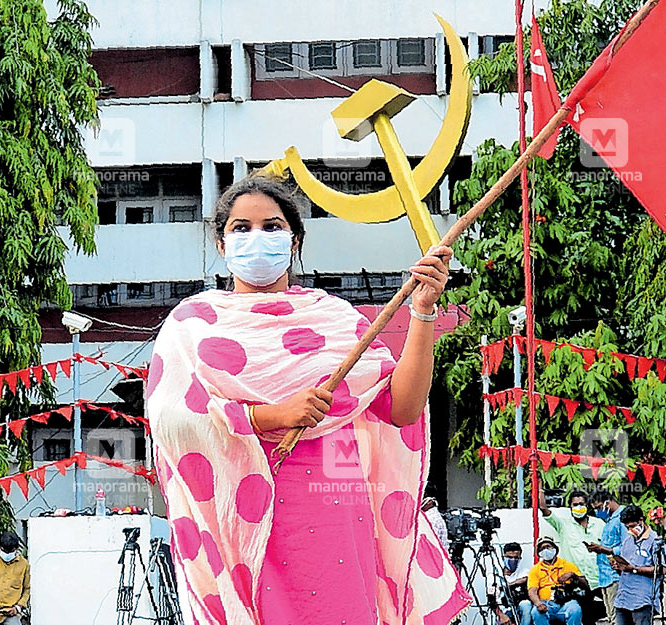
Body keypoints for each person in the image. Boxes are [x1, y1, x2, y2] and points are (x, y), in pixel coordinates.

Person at [145, 177, 468, 624]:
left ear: (294, 240)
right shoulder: (194, 325)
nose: (257, 237)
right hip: (247, 517)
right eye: (241, 228)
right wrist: (271, 416)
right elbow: (171, 421)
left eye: (272, 226)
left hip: (338, 509)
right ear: (221, 245)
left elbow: (403, 408)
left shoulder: (333, 318)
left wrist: (423, 310)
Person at [540, 491, 606, 589]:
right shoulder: (562, 525)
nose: (578, 507)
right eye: (575, 504)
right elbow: (543, 508)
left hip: (600, 580)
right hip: (576, 581)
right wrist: (540, 487)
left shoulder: (599, 524)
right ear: (570, 506)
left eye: (581, 504)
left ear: (587, 505)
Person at [612, 505, 664, 625]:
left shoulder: (655, 540)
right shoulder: (627, 540)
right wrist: (618, 567)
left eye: (632, 526)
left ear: (641, 520)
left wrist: (634, 569)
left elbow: (661, 570)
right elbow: (625, 566)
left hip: (642, 599)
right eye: (627, 527)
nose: (630, 530)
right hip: (623, 598)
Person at [520, 537, 587, 625]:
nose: (546, 550)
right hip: (546, 604)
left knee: (575, 610)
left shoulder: (567, 565)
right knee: (536, 612)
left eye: (548, 546)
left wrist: (573, 575)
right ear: (539, 553)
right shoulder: (535, 570)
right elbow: (532, 591)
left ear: (555, 548)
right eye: (542, 548)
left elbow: (585, 585)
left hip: (566, 603)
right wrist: (538, 604)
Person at [587, 488, 626, 623]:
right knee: (611, 617)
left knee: (617, 618)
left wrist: (606, 550)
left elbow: (627, 547)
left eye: (599, 508)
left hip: (616, 576)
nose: (598, 512)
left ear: (607, 503)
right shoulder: (609, 521)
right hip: (605, 577)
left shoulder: (623, 518)